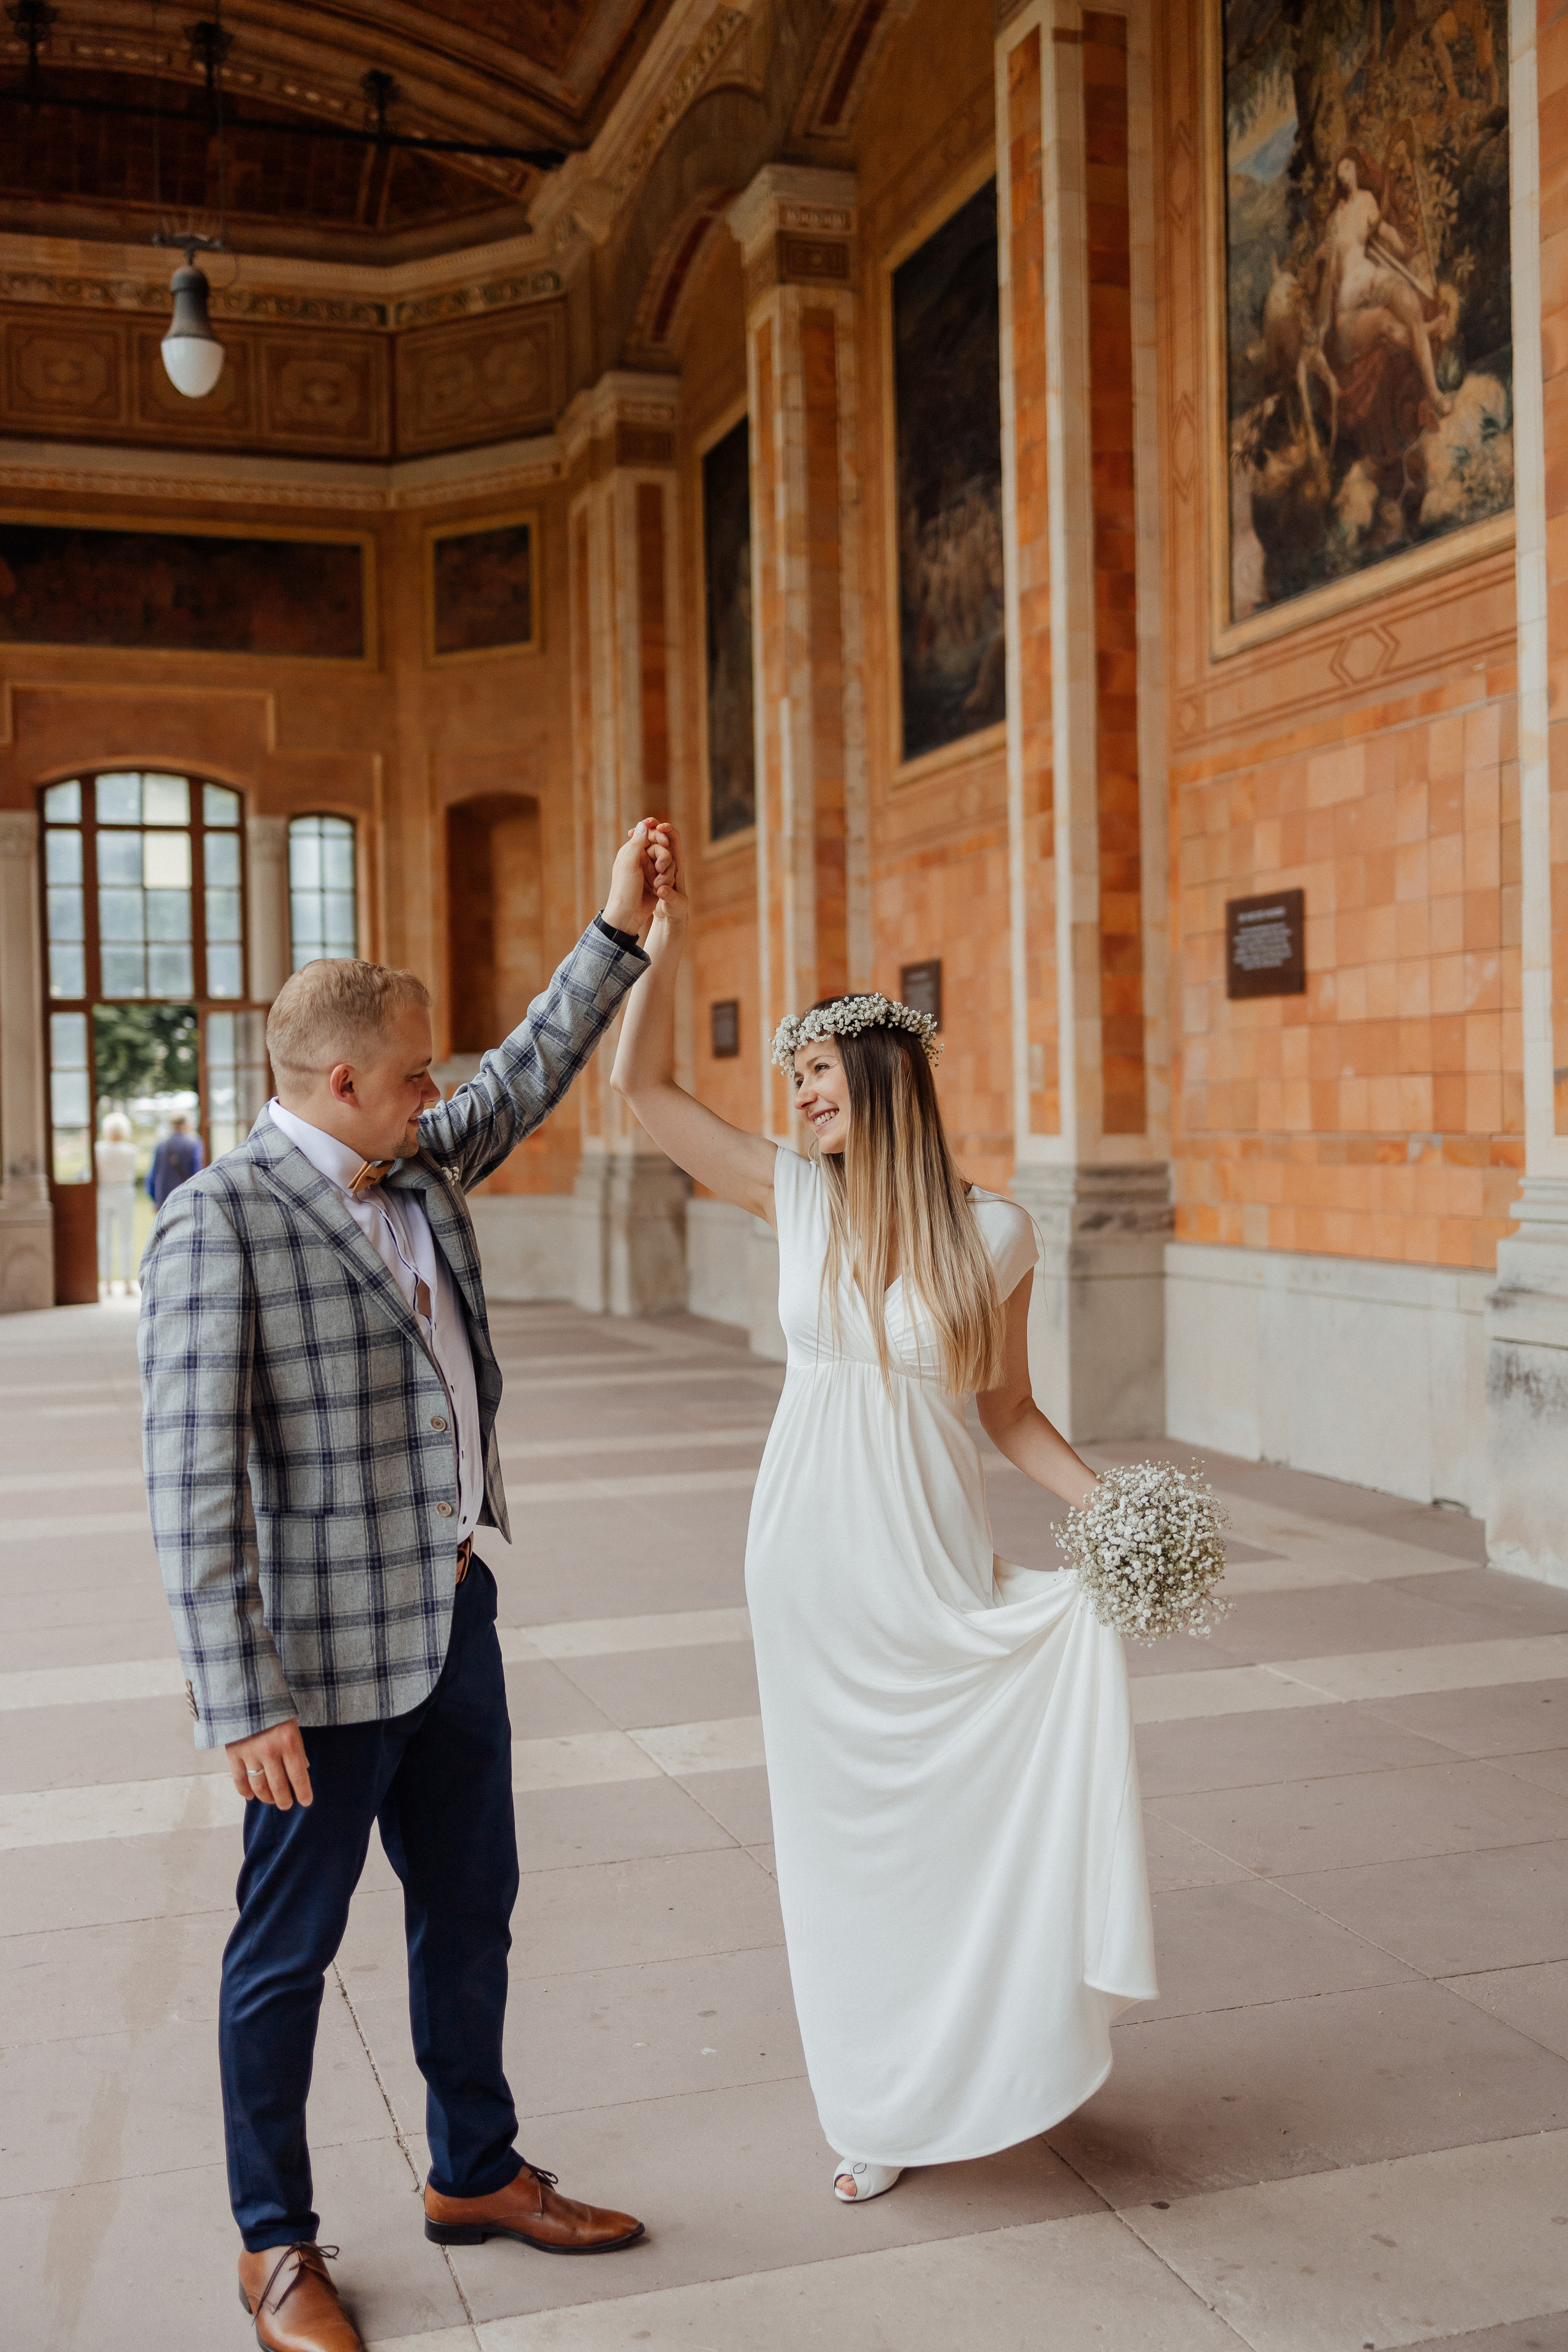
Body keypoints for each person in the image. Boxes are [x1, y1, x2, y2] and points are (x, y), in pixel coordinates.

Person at [139, 830, 666, 2352]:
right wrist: (239, 1697)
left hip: (452, 1615)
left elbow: (530, 1066)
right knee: (285, 1956)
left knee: (471, 1908)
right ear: (339, 1082)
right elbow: (187, 1479)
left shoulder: (420, 1155)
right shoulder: (221, 1219)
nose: (441, 1089)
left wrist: (615, 928)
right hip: (314, 1667)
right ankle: (273, 2242)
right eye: (417, 1071)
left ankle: (472, 2168)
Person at [612, 824, 1156, 2204]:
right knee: (842, 1850)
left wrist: (1124, 1514)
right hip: (808, 1563)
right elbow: (642, 1088)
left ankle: (975, 2064)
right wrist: (661, 940)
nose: (799, 1095)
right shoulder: (792, 1197)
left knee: (951, 1835)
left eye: (817, 1072)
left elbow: (1009, 1414)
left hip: (932, 1567)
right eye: (791, 1077)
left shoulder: (1000, 1234)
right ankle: (875, 2105)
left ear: (883, 1076)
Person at [94, 1111, 138, 1294]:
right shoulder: (130, 1150)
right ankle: (127, 1282)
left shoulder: (99, 1149)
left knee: (104, 1237)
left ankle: (107, 1283)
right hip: (124, 1191)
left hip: (104, 1191)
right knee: (126, 1237)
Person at [147, 1108, 204, 1207]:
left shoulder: (161, 1145)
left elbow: (153, 1175)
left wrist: (155, 1199)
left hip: (164, 1198)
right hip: (186, 1198)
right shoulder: (195, 1144)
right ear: (186, 1124)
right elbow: (197, 1171)